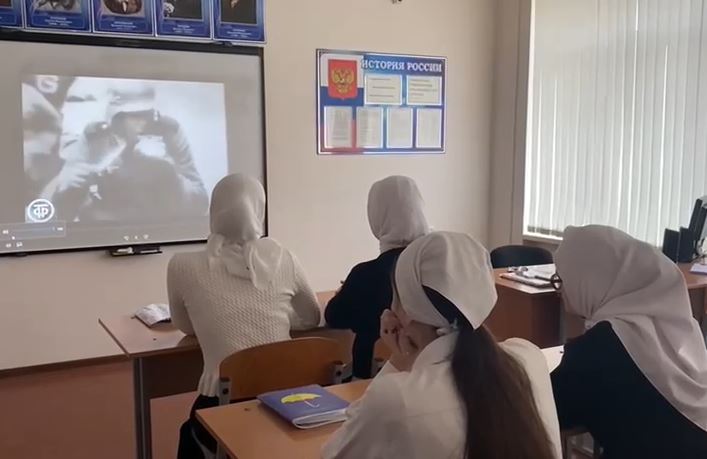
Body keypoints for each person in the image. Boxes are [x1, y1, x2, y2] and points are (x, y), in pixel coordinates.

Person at [322, 231, 562, 459]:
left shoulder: (395, 398)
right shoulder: (528, 356)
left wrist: (399, 358)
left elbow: (335, 453)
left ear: (406, 310)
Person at [168, 174, 321, 459]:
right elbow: (311, 317)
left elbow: (185, 326)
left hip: (226, 404)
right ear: (258, 211)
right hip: (291, 400)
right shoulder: (284, 257)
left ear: (214, 211)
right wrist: (276, 315)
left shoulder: (182, 265)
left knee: (188, 432)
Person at [550, 225, 707, 458]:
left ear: (589, 279)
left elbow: (549, 407)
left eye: (561, 280)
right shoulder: (681, 329)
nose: (560, 290)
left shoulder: (599, 348)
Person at [41, 78, 208, 222]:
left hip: (156, 227)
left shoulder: (167, 130)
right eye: (134, 116)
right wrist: (85, 170)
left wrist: (168, 175)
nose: (143, 124)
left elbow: (201, 202)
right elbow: (51, 212)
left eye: (147, 115)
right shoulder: (92, 139)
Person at [325, 176, 429, 379]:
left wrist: (345, 291)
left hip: (370, 383)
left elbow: (334, 317)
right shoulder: (437, 267)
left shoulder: (365, 275)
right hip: (428, 377)